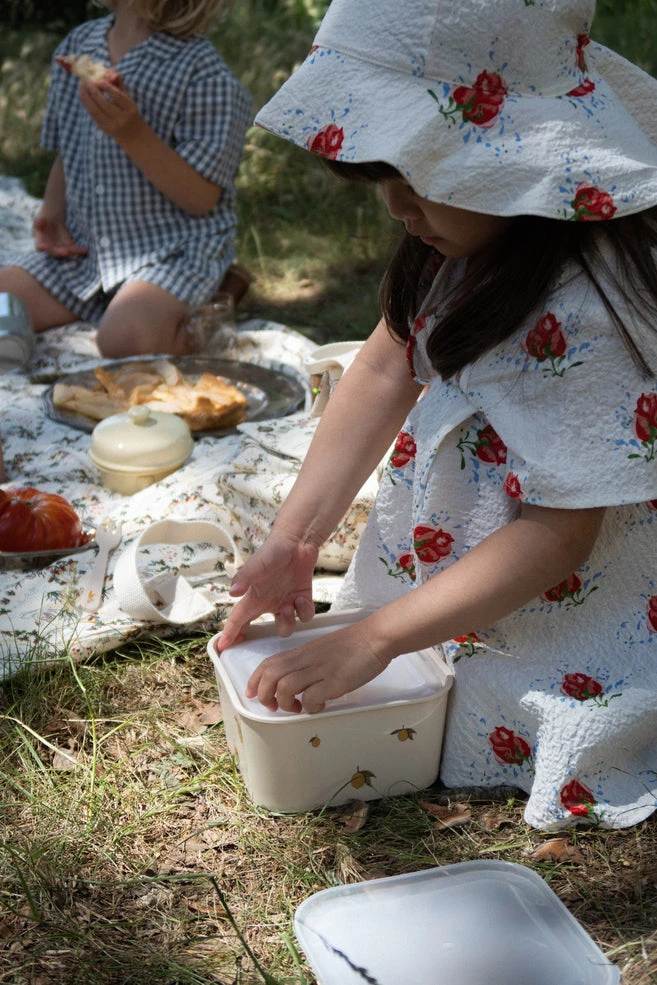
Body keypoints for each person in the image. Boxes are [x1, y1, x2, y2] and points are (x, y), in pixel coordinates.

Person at [216, 0, 657, 830]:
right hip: (468, 562)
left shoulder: (584, 310)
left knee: (462, 716)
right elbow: (386, 363)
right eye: (385, 178)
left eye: (417, 177)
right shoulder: (458, 239)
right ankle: (426, 623)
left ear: (518, 155)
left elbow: (561, 532)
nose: (394, 209)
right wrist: (294, 540)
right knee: (412, 672)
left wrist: (374, 639)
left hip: (561, 595)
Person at [0, 0, 252, 357]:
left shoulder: (204, 75)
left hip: (173, 252)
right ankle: (116, 305)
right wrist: (52, 215)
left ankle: (220, 295)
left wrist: (132, 133)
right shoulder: (78, 45)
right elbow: (68, 146)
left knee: (124, 342)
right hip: (88, 255)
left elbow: (200, 199)